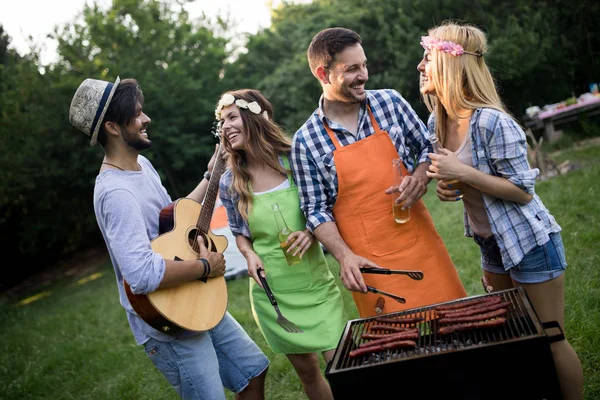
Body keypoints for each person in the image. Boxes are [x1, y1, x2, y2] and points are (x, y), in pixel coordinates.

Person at [68, 77, 269, 400]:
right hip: (165, 318)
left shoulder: (141, 166)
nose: (146, 119)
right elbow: (142, 274)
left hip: (189, 293)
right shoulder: (115, 192)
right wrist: (206, 267)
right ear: (113, 127)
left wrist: (211, 174)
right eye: (136, 114)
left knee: (252, 371)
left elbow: (173, 221)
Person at [418, 22, 584, 399]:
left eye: (428, 57)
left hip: (528, 241)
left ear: (449, 64)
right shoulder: (437, 122)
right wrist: (452, 186)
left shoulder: (492, 120)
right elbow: (469, 184)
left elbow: (523, 192)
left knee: (550, 335)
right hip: (491, 245)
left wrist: (462, 172)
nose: (420, 66)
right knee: (512, 336)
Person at [291, 27, 467, 318]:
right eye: (352, 69)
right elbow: (315, 210)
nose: (364, 75)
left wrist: (421, 177)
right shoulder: (305, 141)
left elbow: (427, 147)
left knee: (456, 325)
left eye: (364, 65)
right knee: (397, 346)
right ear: (323, 74)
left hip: (421, 247)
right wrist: (344, 256)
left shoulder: (390, 103)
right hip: (369, 265)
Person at [216, 89, 346, 400]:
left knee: (343, 365)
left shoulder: (294, 160)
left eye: (232, 117)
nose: (225, 127)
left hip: (315, 286)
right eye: (222, 121)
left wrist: (312, 232)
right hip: (273, 296)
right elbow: (240, 232)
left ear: (254, 118)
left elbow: (325, 206)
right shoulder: (230, 181)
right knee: (309, 374)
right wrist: (248, 255)